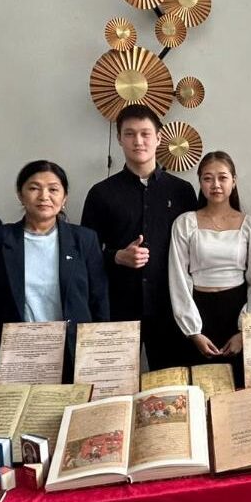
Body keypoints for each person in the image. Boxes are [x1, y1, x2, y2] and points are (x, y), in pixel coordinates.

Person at [81, 105, 198, 371]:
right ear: (119, 139)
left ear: (159, 138)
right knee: (114, 380)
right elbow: (84, 254)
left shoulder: (182, 191)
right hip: (117, 306)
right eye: (130, 134)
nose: (138, 141)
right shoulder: (101, 193)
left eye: (145, 133)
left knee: (171, 383)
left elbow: (195, 251)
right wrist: (117, 256)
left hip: (170, 306)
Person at [0, 161, 109, 381]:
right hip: (19, 355)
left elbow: (99, 301)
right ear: (21, 195)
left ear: (64, 198)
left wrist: (99, 355)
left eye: (53, 189)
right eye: (34, 188)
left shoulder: (84, 240)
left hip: (75, 354)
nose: (44, 196)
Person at [168, 152, 251, 387]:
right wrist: (193, 332)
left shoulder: (250, 225)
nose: (215, 185)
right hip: (197, 311)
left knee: (240, 388)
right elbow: (178, 277)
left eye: (222, 177)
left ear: (234, 181)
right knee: (200, 388)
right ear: (200, 182)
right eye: (207, 178)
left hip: (237, 311)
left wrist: (246, 331)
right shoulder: (185, 223)